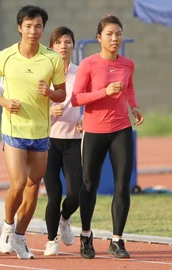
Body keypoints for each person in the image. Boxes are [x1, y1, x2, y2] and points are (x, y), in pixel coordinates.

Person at [0, 5, 66, 259]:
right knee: (18, 183)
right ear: (20, 28)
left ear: (43, 28)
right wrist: (4, 102)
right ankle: (7, 226)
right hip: (14, 128)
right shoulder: (5, 57)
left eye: (38, 26)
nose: (33, 31)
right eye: (28, 26)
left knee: (33, 186)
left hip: (40, 131)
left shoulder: (52, 58)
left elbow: (62, 93)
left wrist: (50, 93)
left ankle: (19, 236)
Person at [71, 15, 144, 260]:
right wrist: (104, 92)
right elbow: (76, 99)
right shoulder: (89, 65)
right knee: (89, 185)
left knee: (122, 186)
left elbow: (130, 88)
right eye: (110, 34)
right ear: (99, 38)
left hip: (121, 129)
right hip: (94, 131)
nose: (115, 39)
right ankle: (85, 234)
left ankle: (117, 240)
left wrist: (133, 107)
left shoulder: (128, 64)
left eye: (118, 34)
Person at [43, 26, 83, 256]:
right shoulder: (45, 74)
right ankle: (51, 241)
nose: (63, 46)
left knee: (76, 193)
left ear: (73, 45)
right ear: (52, 46)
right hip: (49, 141)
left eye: (67, 42)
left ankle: (65, 219)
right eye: (59, 42)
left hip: (74, 140)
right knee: (54, 195)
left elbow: (89, 101)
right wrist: (50, 114)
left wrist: (85, 117)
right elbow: (36, 108)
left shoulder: (80, 73)